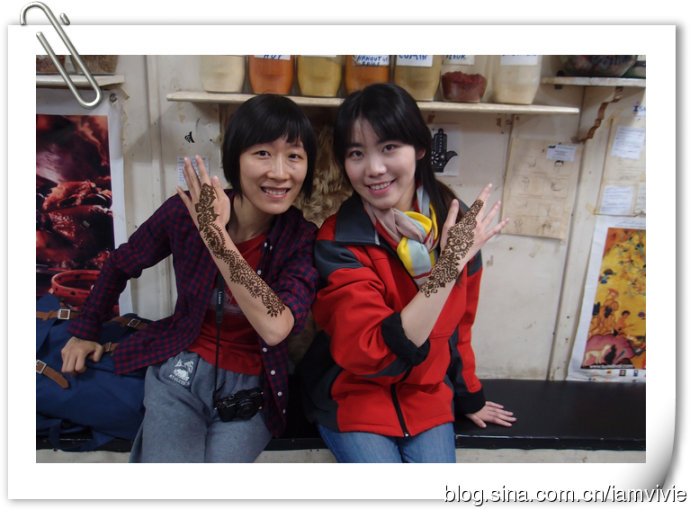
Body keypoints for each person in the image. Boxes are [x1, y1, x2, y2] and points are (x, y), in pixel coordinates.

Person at [61, 94, 319, 462]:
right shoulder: (186, 213)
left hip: (253, 385)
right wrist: (86, 329)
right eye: (262, 153)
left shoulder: (301, 237)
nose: (280, 172)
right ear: (235, 159)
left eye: (294, 156)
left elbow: (277, 327)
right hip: (181, 368)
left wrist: (216, 236)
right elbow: (121, 262)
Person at [301, 83, 516, 463]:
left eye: (389, 147)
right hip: (354, 395)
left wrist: (469, 395)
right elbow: (371, 352)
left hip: (427, 396)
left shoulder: (456, 223)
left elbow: (460, 327)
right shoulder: (338, 240)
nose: (374, 169)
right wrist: (447, 269)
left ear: (419, 147)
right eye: (356, 153)